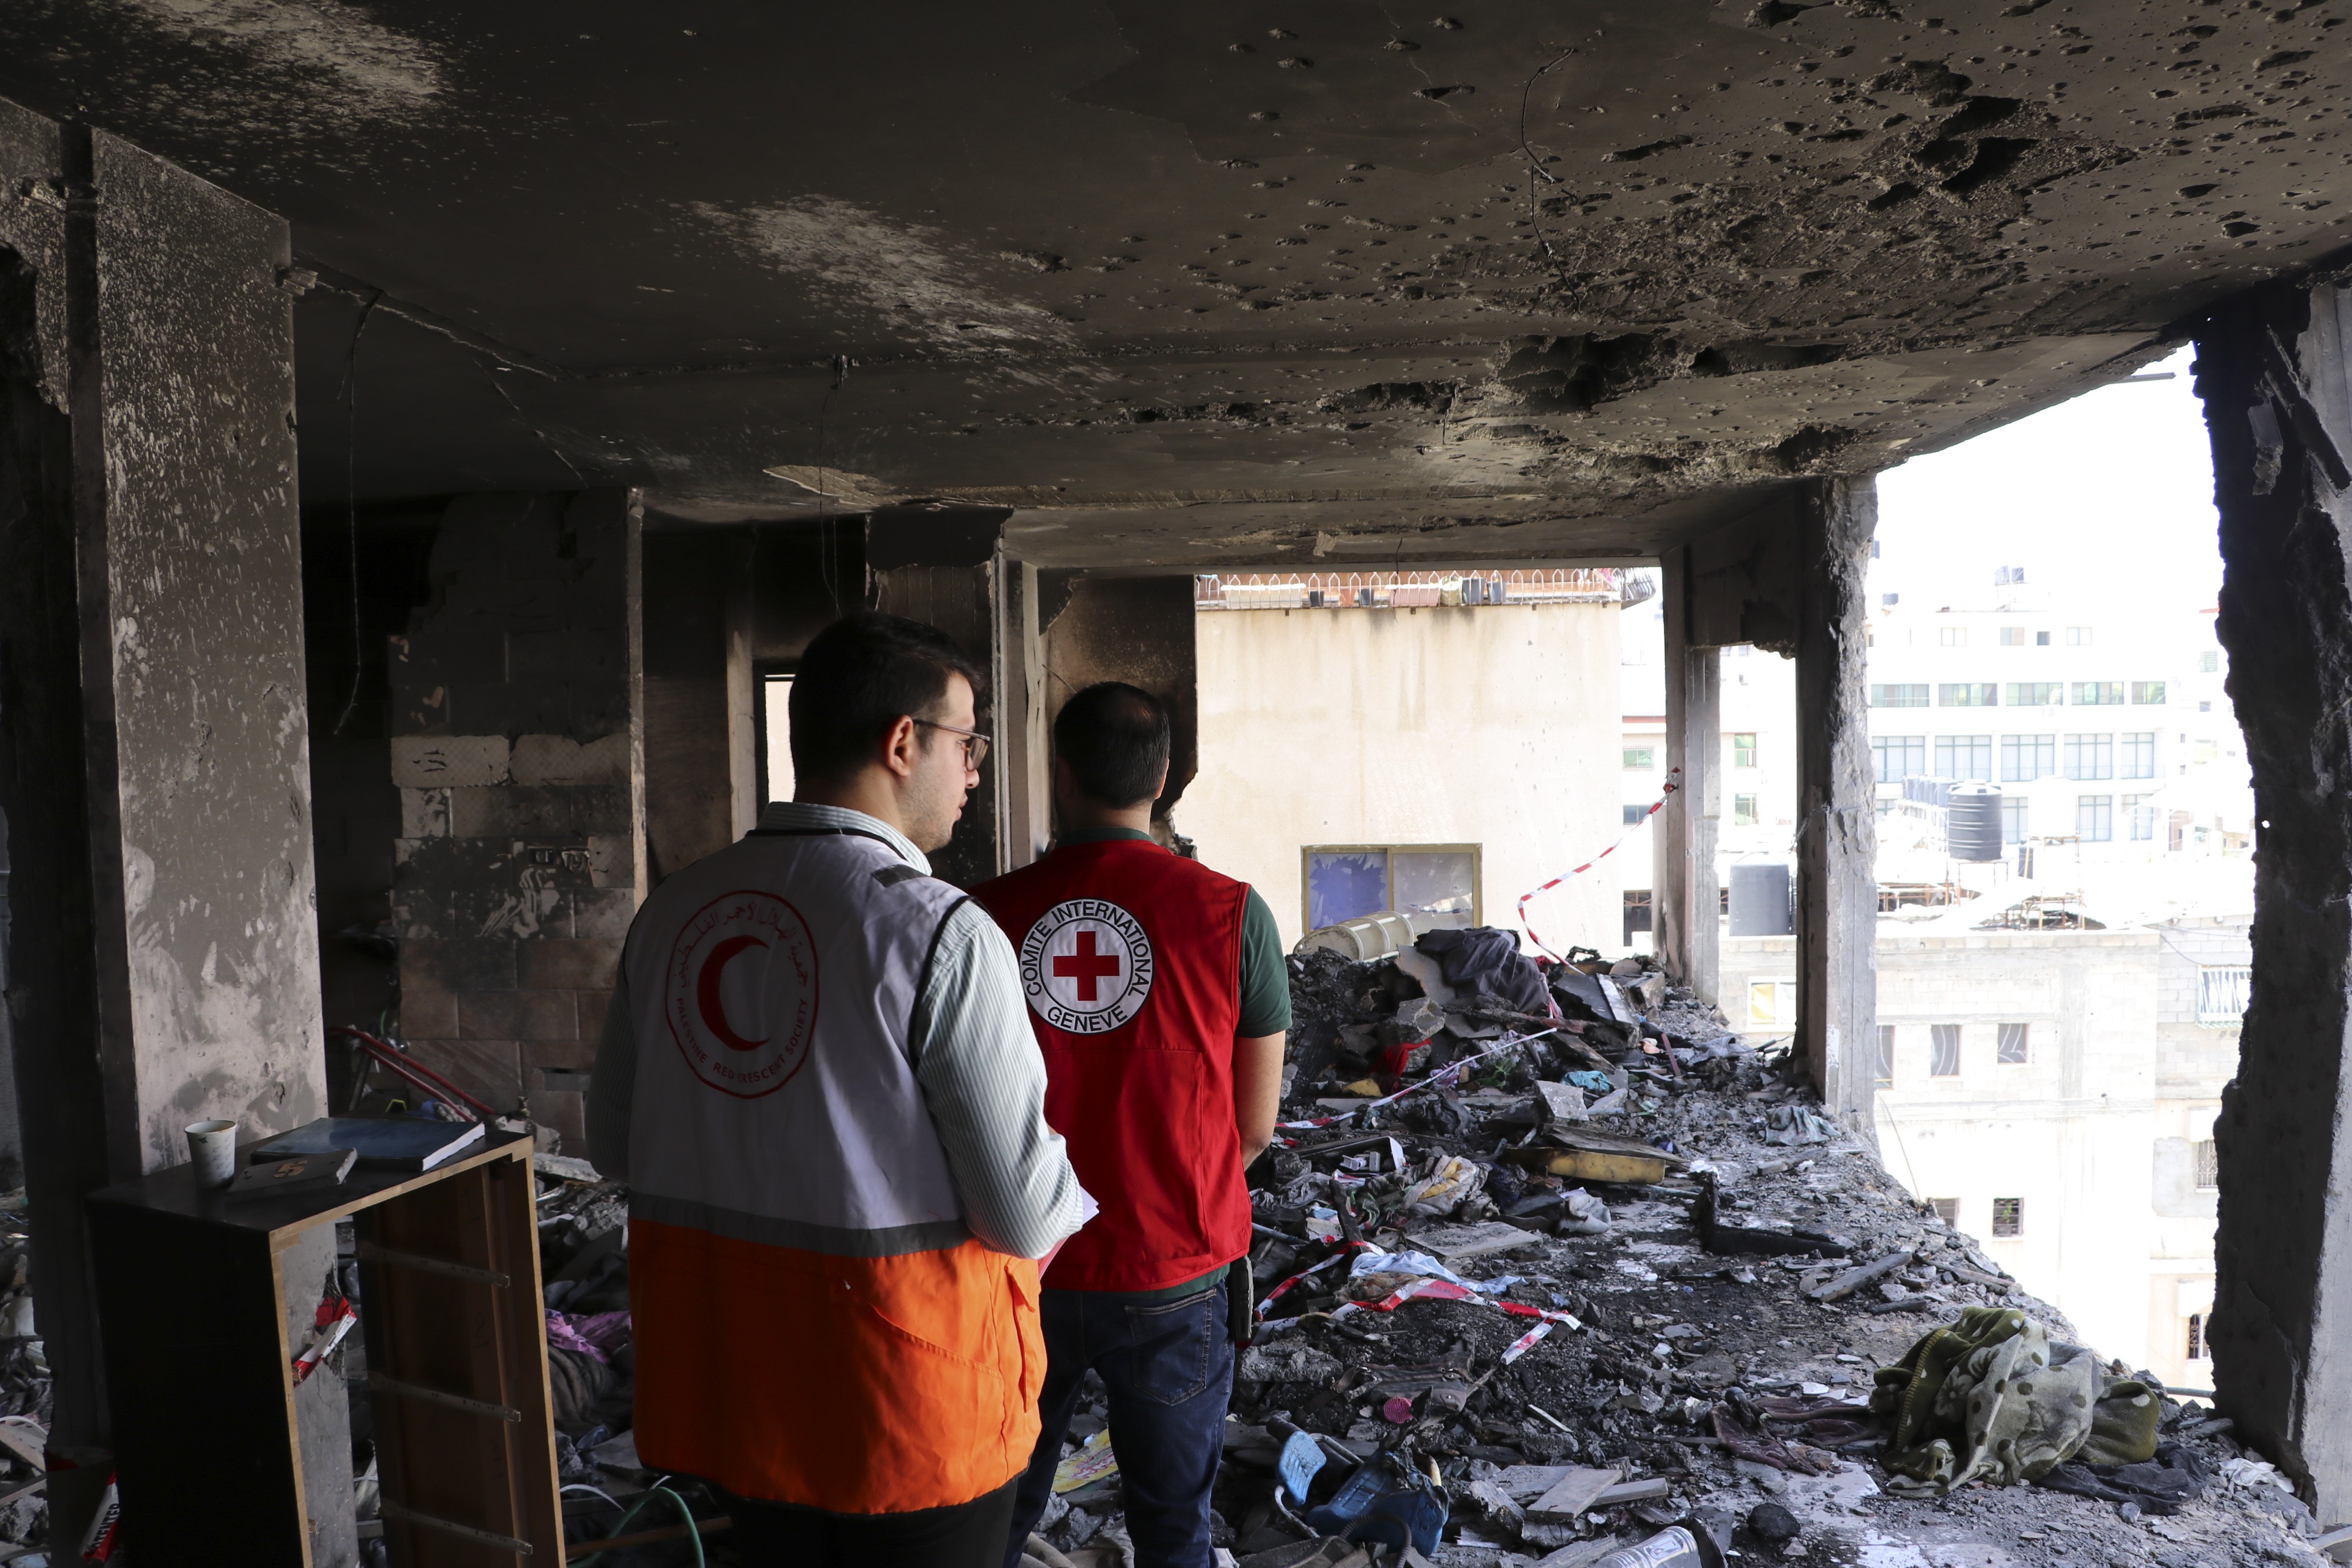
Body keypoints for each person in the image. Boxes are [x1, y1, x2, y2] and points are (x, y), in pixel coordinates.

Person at [587, 610, 1084, 1567]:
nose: (975, 771)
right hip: (905, 1413)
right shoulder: (936, 931)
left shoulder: (672, 914)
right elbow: (1024, 1215)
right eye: (967, 741)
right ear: (904, 742)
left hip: (735, 1404)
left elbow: (616, 1143)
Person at [973, 682, 1289, 1568]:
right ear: (1163, 783)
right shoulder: (1233, 914)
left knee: (994, 1517)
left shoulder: (978, 916)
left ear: (1061, 776)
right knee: (1173, 1528)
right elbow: (1253, 1126)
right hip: (1173, 1271)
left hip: (1017, 1273)